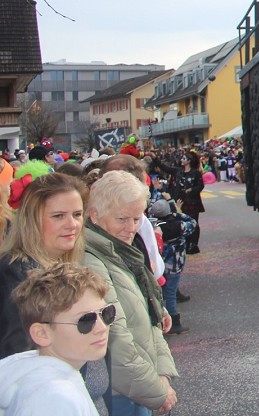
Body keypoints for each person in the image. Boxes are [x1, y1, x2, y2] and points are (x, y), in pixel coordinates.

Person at [83, 171, 178, 415]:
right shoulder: (92, 261)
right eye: (123, 219)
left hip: (136, 384)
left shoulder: (119, 250)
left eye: (137, 219)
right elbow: (116, 336)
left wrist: (162, 375)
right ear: (95, 214)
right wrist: (157, 389)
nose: (132, 228)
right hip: (122, 393)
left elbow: (147, 316)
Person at [0, 262, 112, 416]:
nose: (102, 327)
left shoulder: (52, 382)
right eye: (86, 320)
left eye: (106, 313)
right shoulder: (55, 398)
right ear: (42, 334)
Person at [0, 173, 89, 360]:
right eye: (58, 216)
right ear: (32, 220)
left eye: (77, 214)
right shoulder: (16, 275)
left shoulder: (65, 266)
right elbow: (20, 357)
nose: (72, 224)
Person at [148, 200, 196, 336]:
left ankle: (161, 319)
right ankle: (174, 322)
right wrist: (178, 213)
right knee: (170, 293)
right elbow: (192, 223)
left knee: (162, 292)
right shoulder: (177, 225)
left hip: (159, 265)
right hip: (174, 265)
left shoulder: (154, 226)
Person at [170, 152, 204, 254]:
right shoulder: (179, 171)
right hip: (181, 201)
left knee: (194, 222)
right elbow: (166, 168)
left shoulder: (195, 173)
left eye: (184, 158)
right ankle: (185, 243)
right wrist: (155, 159)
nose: (181, 160)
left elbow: (200, 186)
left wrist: (191, 190)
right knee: (182, 222)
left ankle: (193, 245)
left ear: (189, 161)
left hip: (193, 202)